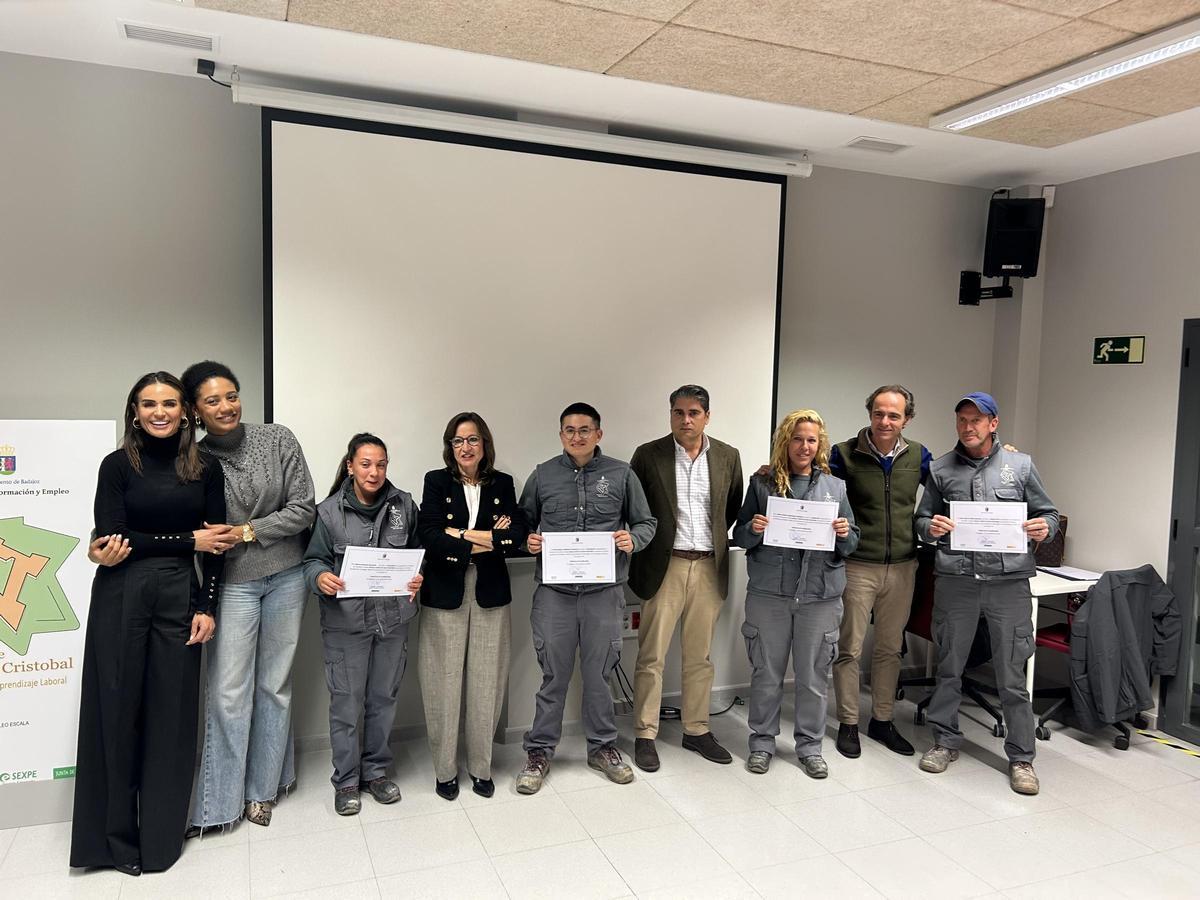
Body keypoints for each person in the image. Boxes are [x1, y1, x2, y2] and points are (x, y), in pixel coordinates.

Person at [70, 372, 234, 876]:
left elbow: (220, 547)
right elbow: (114, 541)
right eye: (148, 404)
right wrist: (188, 540)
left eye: (168, 403)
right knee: (118, 714)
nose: (158, 412)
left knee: (173, 718)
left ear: (185, 411)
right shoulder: (116, 466)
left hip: (181, 596)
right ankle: (115, 845)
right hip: (121, 594)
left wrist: (207, 607)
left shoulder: (205, 469)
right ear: (134, 412)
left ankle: (161, 841)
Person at [180, 361, 316, 833]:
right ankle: (219, 804)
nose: (226, 406)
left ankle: (262, 791)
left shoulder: (278, 438)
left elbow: (302, 509)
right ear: (195, 410)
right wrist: (229, 537)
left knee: (274, 687)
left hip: (287, 576)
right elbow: (196, 529)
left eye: (232, 395)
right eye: (213, 400)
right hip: (232, 585)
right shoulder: (193, 460)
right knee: (228, 692)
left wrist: (244, 531)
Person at [914, 392, 1058, 796]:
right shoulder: (941, 469)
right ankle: (944, 742)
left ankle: (1021, 757)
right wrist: (931, 528)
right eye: (961, 419)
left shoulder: (1020, 465)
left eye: (976, 420)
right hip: (956, 583)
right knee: (949, 667)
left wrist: (1045, 527)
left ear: (993, 423)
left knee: (1012, 675)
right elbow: (922, 519)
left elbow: (1048, 512)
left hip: (1007, 585)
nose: (967, 426)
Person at [516, 402, 657, 794]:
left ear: (599, 433)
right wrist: (528, 540)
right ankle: (540, 751)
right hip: (555, 595)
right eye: (569, 430)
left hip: (603, 593)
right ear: (560, 434)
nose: (576, 436)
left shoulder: (621, 474)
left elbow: (646, 522)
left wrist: (635, 538)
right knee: (553, 677)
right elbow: (524, 520)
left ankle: (602, 747)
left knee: (600, 676)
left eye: (584, 429)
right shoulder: (543, 475)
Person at [302, 433, 424, 815]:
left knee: (383, 700)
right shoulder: (328, 512)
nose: (374, 472)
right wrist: (320, 578)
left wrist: (420, 576)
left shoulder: (404, 504)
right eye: (366, 464)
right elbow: (312, 562)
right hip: (345, 623)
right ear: (351, 466)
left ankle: (375, 772)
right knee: (346, 704)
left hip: (392, 621)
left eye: (381, 464)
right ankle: (347, 780)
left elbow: (419, 556)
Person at [733, 408, 858, 778]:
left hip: (820, 597)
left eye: (811, 440)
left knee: (813, 677)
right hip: (770, 593)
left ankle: (809, 746)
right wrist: (754, 528)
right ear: (785, 442)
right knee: (766, 674)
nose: (804, 446)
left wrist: (842, 534)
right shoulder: (762, 484)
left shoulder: (835, 488)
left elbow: (852, 542)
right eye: (797, 438)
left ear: (820, 446)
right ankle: (761, 743)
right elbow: (740, 536)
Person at [629, 385, 744, 772]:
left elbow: (728, 511)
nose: (686, 420)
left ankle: (696, 730)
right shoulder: (648, 455)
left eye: (694, 412)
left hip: (709, 566)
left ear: (707, 416)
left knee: (700, 657)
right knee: (651, 656)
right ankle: (645, 732)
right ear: (671, 415)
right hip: (665, 565)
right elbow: (636, 510)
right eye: (678, 412)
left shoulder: (728, 456)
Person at [417, 412, 528, 801]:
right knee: (442, 682)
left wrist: (459, 534)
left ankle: (481, 767)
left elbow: (515, 537)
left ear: (485, 445)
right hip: (444, 591)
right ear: (450, 447)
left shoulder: (503, 483)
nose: (465, 447)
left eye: (473, 440)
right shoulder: (436, 481)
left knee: (487, 682)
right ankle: (445, 770)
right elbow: (429, 534)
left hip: (490, 592)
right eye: (458, 441)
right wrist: (483, 538)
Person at [829, 385, 932, 759]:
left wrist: (1006, 454)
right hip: (857, 565)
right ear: (869, 413)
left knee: (890, 648)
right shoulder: (842, 454)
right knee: (849, 649)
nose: (885, 421)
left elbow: (951, 484)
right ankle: (848, 723)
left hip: (903, 566)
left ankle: (883, 721)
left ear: (906, 418)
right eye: (879, 413)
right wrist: (771, 470)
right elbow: (809, 479)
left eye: (894, 415)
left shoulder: (919, 456)